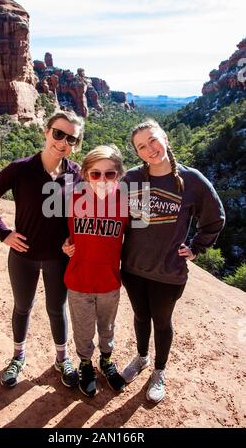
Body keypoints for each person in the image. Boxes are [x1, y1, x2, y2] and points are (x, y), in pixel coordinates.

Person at [0, 110, 84, 389]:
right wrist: (4, 234)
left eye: (70, 138)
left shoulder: (76, 175)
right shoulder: (20, 169)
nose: (62, 142)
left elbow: (85, 216)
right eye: (58, 134)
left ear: (76, 144)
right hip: (22, 256)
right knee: (22, 307)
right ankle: (18, 357)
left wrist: (74, 241)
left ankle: (62, 359)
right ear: (46, 132)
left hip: (57, 258)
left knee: (56, 308)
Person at [121, 119, 225, 403]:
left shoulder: (192, 181)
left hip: (168, 272)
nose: (150, 149)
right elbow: (106, 210)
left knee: (162, 322)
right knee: (141, 316)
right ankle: (141, 358)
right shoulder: (131, 178)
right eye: (141, 146)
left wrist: (196, 248)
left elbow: (215, 218)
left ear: (164, 138)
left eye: (152, 140)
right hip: (132, 268)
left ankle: (159, 370)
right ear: (137, 153)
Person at [62, 145, 128, 397]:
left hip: (109, 281)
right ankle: (86, 363)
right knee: (83, 328)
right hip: (79, 280)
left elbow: (141, 237)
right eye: (95, 174)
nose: (102, 180)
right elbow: (56, 231)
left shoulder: (126, 202)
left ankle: (106, 360)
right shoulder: (72, 198)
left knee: (107, 327)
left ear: (119, 175)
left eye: (109, 174)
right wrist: (62, 243)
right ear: (86, 173)